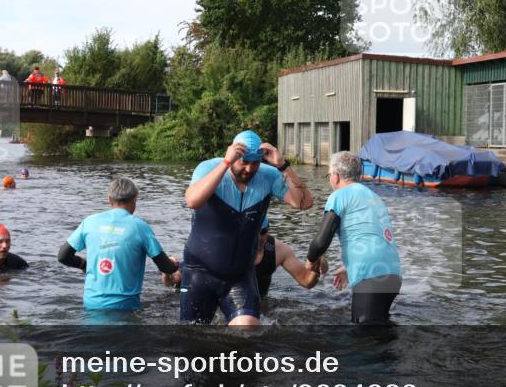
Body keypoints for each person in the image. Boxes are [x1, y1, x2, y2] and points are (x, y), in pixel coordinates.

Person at [180, 130, 313, 325]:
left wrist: (283, 166)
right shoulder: (208, 167)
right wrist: (225, 163)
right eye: (244, 162)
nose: (250, 169)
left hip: (240, 274)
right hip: (200, 271)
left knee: (247, 330)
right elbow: (192, 201)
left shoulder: (268, 175)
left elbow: (304, 203)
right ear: (234, 157)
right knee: (191, 337)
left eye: (255, 163)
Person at [306, 151, 402, 324]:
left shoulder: (339, 196)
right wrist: (349, 266)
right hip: (393, 272)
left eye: (329, 175)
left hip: (371, 274)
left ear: (335, 176)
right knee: (380, 333)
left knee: (363, 339)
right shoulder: (374, 197)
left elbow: (320, 242)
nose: (329, 179)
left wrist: (310, 260)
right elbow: (373, 236)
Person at [58, 177, 178, 311]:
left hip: (91, 303)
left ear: (109, 199)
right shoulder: (140, 227)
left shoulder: (90, 222)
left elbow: (63, 256)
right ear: (135, 199)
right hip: (125, 306)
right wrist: (173, 264)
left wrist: (84, 264)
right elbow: (165, 267)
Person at [161, 217, 323, 297]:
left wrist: (316, 267)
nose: (260, 238)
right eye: (254, 233)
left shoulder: (279, 250)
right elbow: (173, 281)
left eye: (264, 232)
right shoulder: (221, 245)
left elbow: (306, 282)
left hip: (257, 304)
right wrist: (167, 270)